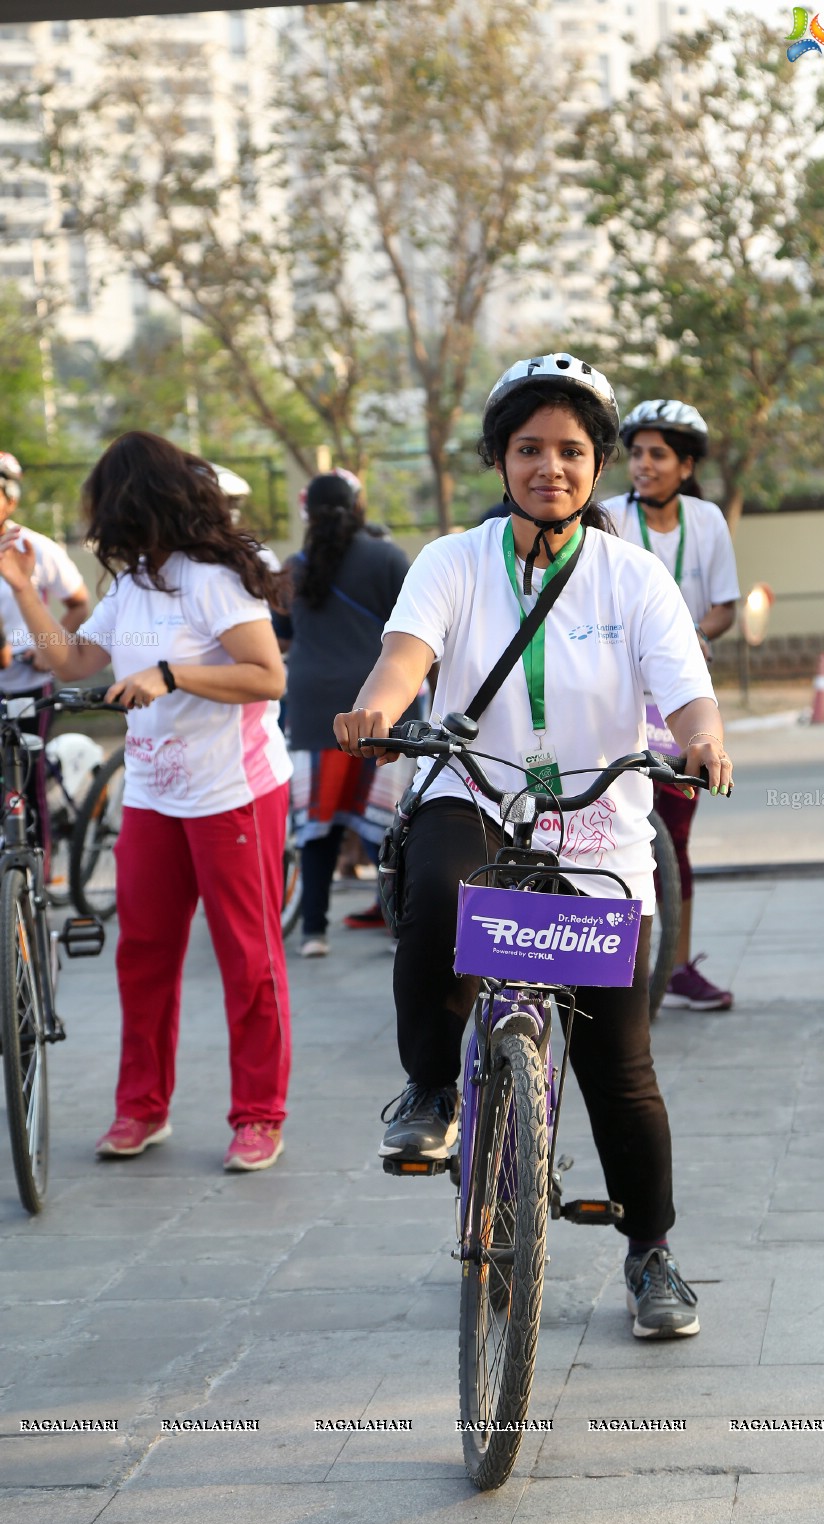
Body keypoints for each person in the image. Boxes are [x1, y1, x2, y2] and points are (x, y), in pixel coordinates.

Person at [334, 352, 733, 1341]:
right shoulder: (450, 561)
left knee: (620, 1067)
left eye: (569, 450)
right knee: (436, 885)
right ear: (500, 460)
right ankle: (430, 1091)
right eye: (527, 449)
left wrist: (700, 739)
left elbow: (683, 685)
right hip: (472, 791)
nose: (548, 467)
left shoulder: (634, 575)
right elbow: (404, 656)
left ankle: (652, 1254)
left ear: (596, 464)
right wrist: (377, 709)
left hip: (596, 819)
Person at [0, 431, 293, 1169]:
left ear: (143, 506)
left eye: (108, 511)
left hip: (233, 792)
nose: (101, 529)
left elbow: (267, 676)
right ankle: (141, 1109)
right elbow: (68, 658)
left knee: (247, 959)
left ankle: (259, 1114)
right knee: (143, 953)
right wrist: (22, 588)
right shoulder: (130, 586)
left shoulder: (213, 579)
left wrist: (174, 673)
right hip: (155, 795)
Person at [603, 400, 739, 1011]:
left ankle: (676, 965)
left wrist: (692, 640)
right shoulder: (606, 516)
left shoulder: (707, 520)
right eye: (635, 454)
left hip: (681, 699)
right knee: (605, 826)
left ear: (685, 465)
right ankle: (607, 960)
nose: (643, 465)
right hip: (619, 698)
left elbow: (726, 605)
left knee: (674, 838)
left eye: (657, 455)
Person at [274, 470, 411, 956]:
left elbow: (283, 638)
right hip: (381, 710)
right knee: (386, 827)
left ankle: (314, 932)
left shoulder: (296, 567)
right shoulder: (389, 558)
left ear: (307, 511)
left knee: (319, 828)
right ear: (358, 506)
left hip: (314, 713)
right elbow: (419, 636)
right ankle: (402, 928)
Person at [0, 450, 90, 865]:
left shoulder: (35, 547)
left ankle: (38, 870)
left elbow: (78, 604)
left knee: (25, 776)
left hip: (27, 684)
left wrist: (46, 650)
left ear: (11, 499)